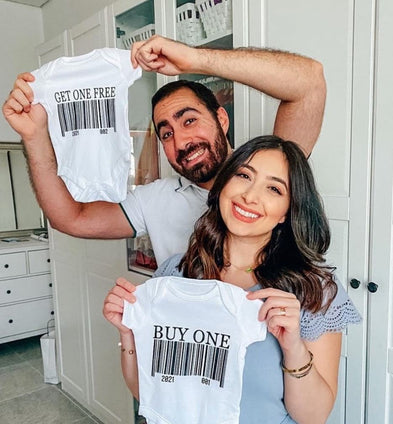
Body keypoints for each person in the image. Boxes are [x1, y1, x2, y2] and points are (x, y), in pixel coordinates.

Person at [103, 135, 361, 424]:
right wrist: (129, 335)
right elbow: (148, 392)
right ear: (224, 185)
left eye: (274, 189)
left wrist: (293, 345)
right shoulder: (176, 276)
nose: (250, 196)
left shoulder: (316, 291)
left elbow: (313, 419)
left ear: (287, 212)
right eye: (243, 176)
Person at [2, 35, 326, 265]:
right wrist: (35, 136)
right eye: (166, 133)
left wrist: (197, 58)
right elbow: (72, 218)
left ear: (221, 118)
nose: (180, 142)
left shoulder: (270, 170)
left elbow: (309, 83)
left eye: (189, 120)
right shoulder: (155, 199)